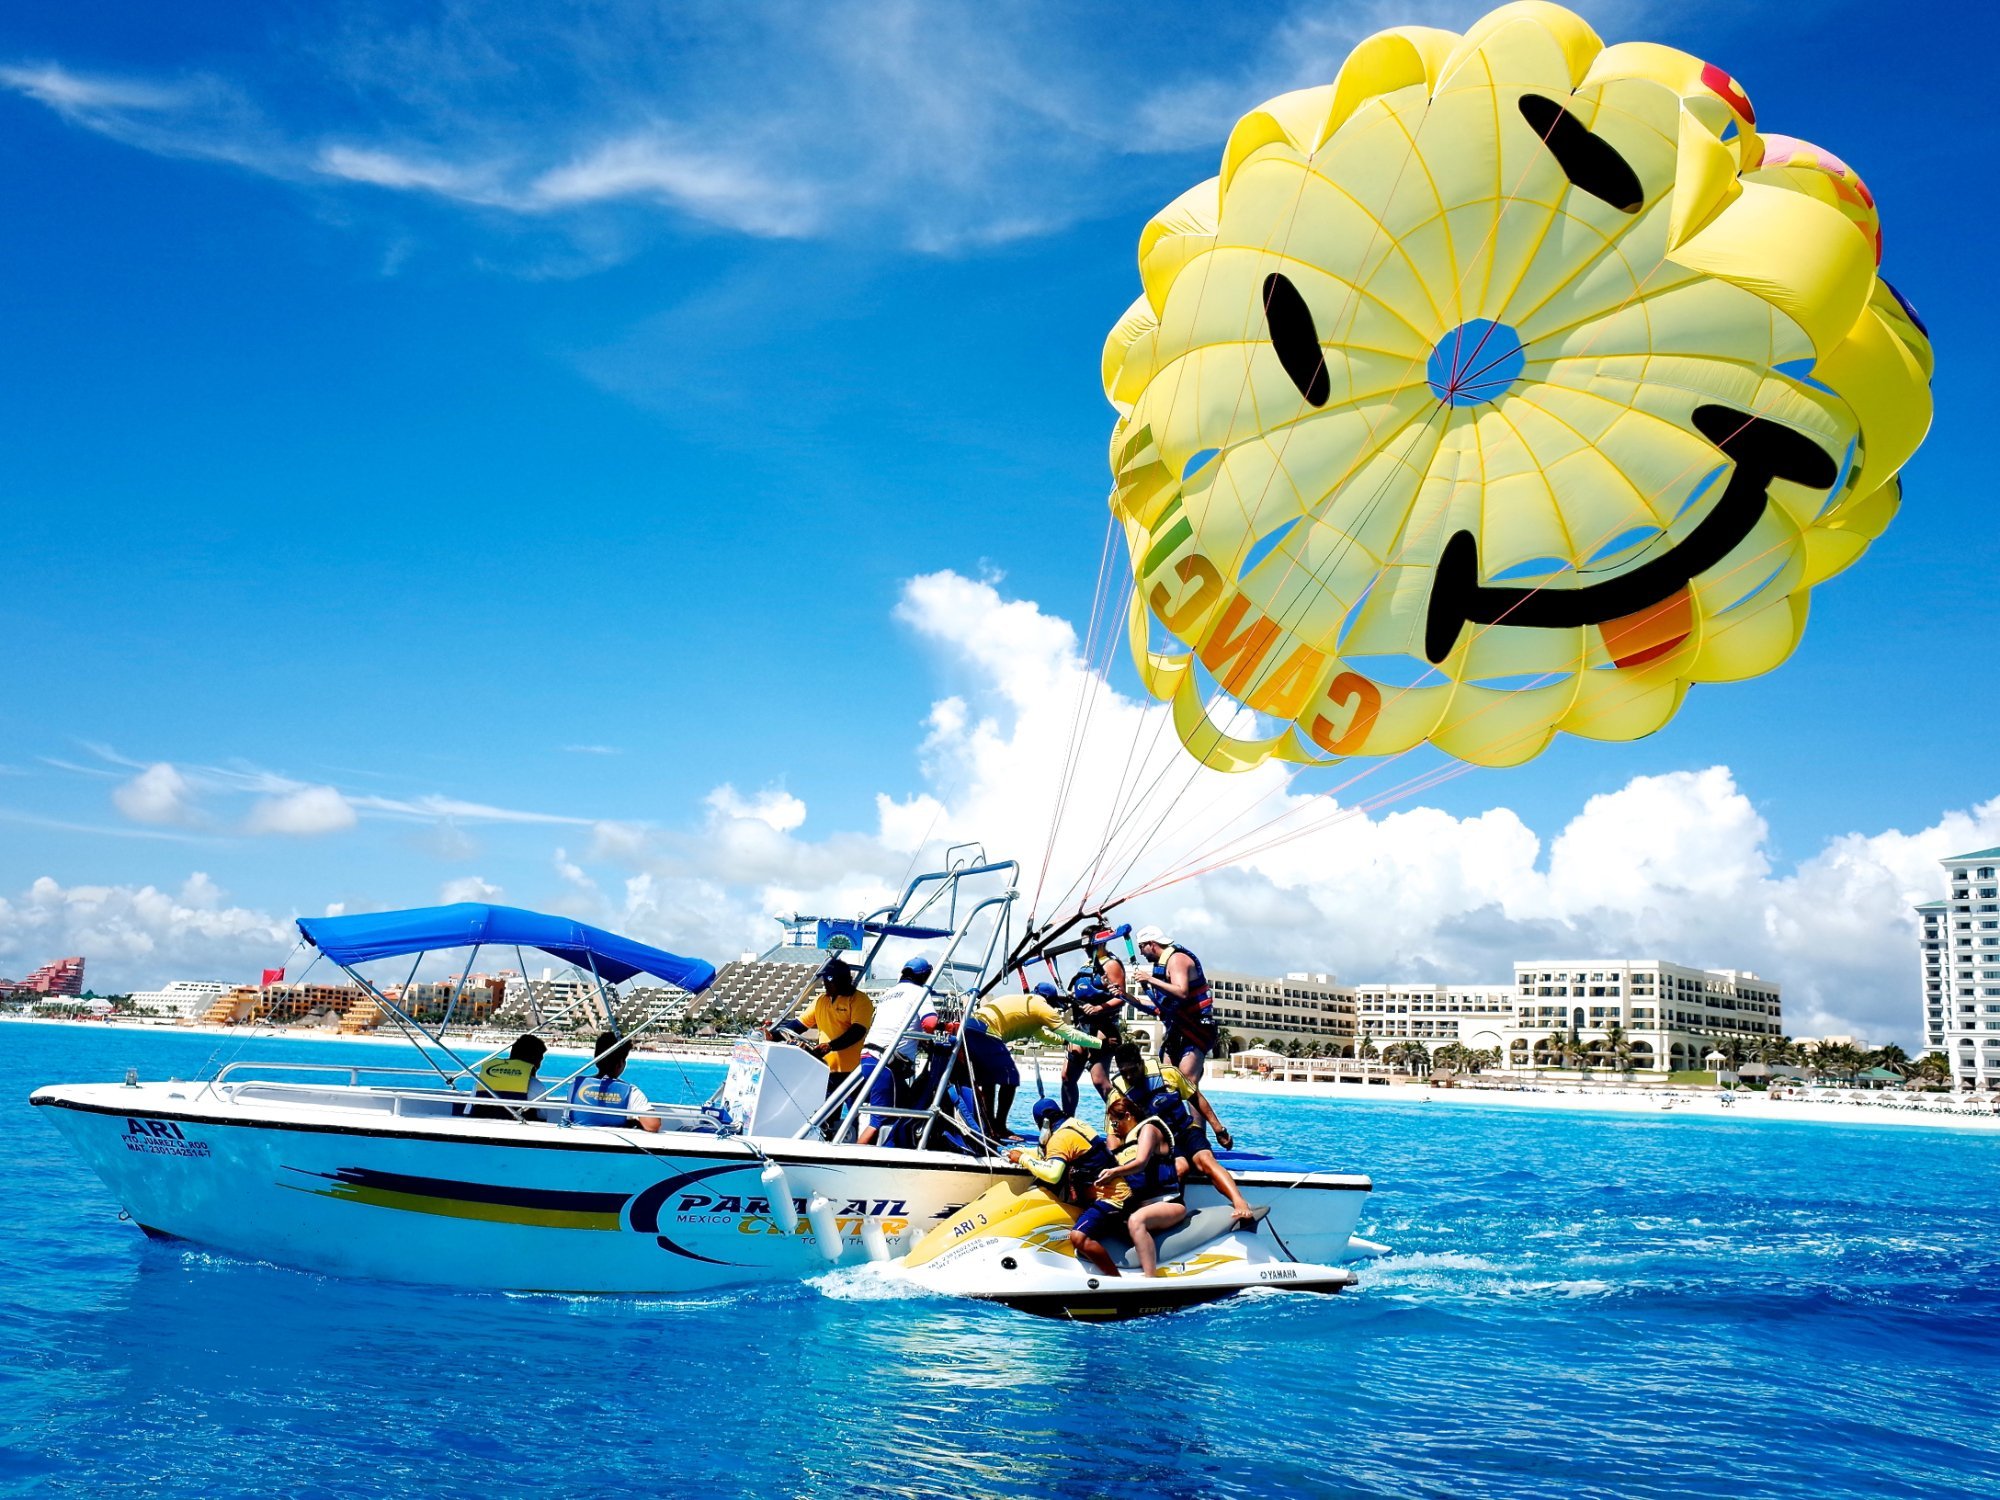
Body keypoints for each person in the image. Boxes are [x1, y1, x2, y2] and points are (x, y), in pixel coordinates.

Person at [1111, 1041, 1255, 1225]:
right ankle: (1173, 1216)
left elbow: (1196, 1097)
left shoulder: (1169, 1073)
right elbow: (1113, 1132)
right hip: (1163, 1144)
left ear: (1141, 1062)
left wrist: (1218, 1128)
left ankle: (1238, 1201)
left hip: (1187, 1131)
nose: (1129, 1076)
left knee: (1205, 1161)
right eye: (1124, 1072)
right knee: (1180, 1168)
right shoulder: (1118, 1094)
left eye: (1133, 1069)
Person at [959, 982, 1103, 1138]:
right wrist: (1100, 1043)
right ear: (1048, 1000)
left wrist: (1064, 1043)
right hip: (986, 1031)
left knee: (990, 1081)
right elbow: (1070, 1033)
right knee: (1010, 1079)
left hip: (970, 1027)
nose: (1054, 1009)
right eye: (1054, 1005)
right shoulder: (1041, 1006)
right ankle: (998, 1127)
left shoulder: (1027, 1006)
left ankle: (988, 1127)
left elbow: (1045, 1035)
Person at [1077, 1092, 1186, 1277]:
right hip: (1142, 1205)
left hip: (1169, 1203)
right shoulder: (1127, 1143)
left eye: (1114, 1123)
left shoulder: (1149, 1129)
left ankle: (1150, 1279)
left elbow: (1142, 1162)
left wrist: (1114, 1172)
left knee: (1137, 1221)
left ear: (1127, 1115)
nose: (1113, 1128)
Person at [856, 958, 940, 1146]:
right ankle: (853, 1154)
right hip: (886, 1063)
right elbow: (930, 1023)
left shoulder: (889, 993)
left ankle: (898, 1147)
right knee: (880, 1118)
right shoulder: (920, 992)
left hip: (869, 1057)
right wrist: (944, 1027)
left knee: (906, 1105)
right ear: (926, 976)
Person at [768, 957, 875, 1095]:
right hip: (825, 1068)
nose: (825, 984)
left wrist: (830, 1046)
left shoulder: (859, 1000)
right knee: (826, 1114)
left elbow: (857, 1031)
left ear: (842, 980)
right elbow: (799, 1025)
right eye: (824, 980)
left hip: (853, 1071)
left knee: (852, 1114)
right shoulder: (821, 1000)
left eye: (829, 980)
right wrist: (773, 1035)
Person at [1132, 924, 1221, 1085]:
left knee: (1187, 1082)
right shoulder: (1161, 967)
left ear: (1151, 944)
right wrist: (1123, 996)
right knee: (1167, 1082)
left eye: (1141, 947)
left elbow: (1182, 992)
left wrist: (1149, 980)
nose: (1140, 953)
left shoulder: (1177, 959)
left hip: (1197, 1028)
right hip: (1177, 1030)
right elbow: (1158, 1007)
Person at [1060, 967, 1125, 1117]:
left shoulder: (1112, 964)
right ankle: (1068, 1121)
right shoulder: (1084, 968)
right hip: (1082, 1028)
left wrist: (1098, 1008)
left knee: (1099, 1080)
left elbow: (1121, 997)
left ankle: (1126, 1119)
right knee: (1066, 1077)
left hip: (1104, 1029)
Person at [566, 1031, 661, 1131]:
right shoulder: (630, 1093)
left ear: (596, 1059)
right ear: (620, 1064)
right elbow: (653, 1125)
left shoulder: (576, 1086)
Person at [468, 1033, 547, 1120]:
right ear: (535, 1062)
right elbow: (542, 1118)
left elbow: (467, 1112)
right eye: (540, 1060)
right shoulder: (537, 1087)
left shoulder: (481, 1083)